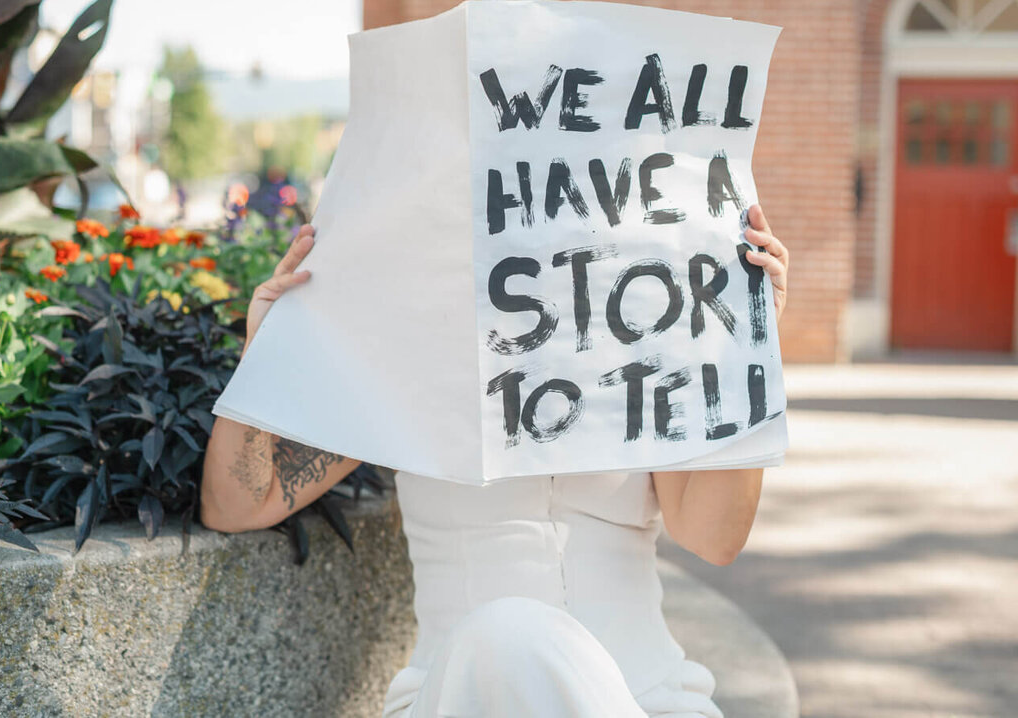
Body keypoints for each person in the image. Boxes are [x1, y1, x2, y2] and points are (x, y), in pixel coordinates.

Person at [200, 203, 790, 717]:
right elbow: (235, 502)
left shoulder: (646, 347)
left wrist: (748, 351)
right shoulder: (404, 362)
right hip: (462, 695)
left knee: (517, 634)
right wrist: (263, 354)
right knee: (510, 633)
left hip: (646, 698)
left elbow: (714, 538)